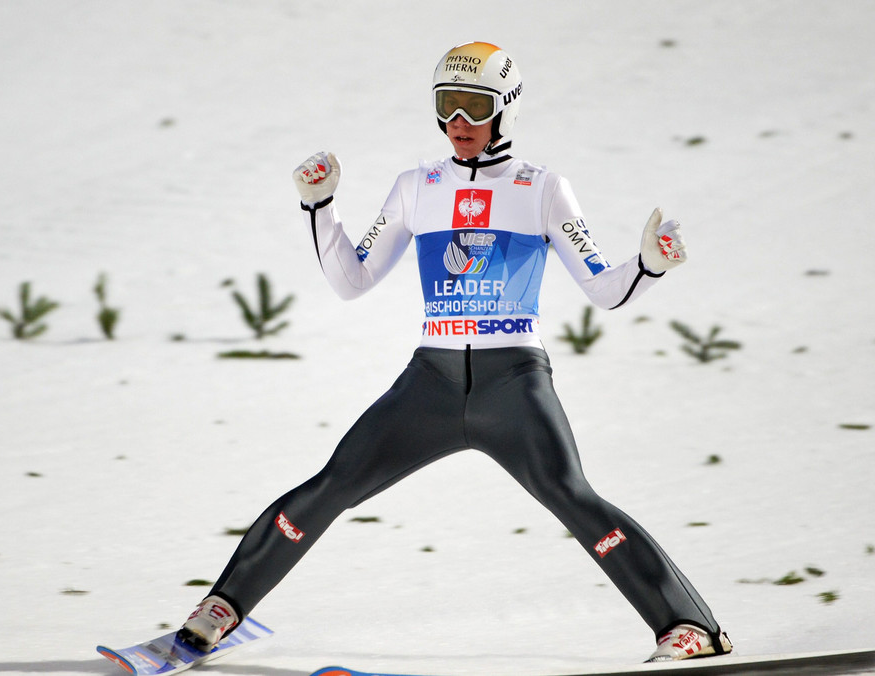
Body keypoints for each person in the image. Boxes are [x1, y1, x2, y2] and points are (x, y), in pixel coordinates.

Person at [179, 41, 732, 663]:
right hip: (431, 383)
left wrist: (649, 265)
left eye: (474, 106)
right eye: (447, 107)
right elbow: (350, 281)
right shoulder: (417, 187)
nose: (459, 124)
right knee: (331, 486)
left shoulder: (542, 189)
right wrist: (320, 208)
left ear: (507, 110)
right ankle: (222, 606)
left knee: (574, 498)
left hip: (513, 381)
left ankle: (688, 627)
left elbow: (604, 289)